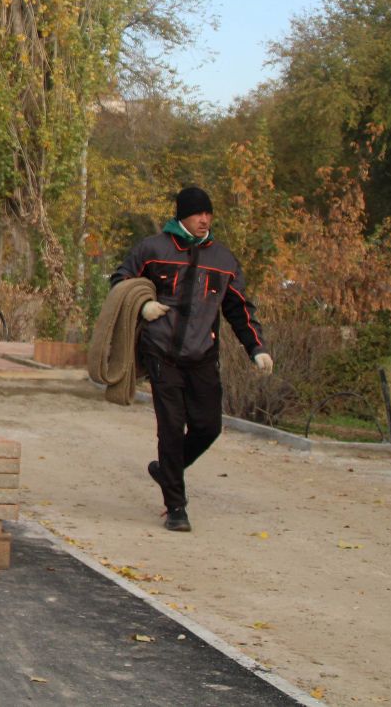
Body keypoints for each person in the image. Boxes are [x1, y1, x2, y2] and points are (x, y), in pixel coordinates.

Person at [110, 185, 271, 533]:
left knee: (208, 426)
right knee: (170, 427)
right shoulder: (153, 249)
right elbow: (120, 280)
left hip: (202, 354)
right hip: (161, 351)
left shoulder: (223, 259)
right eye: (199, 213)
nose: (205, 219)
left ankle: (168, 469)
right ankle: (176, 507)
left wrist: (256, 348)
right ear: (182, 215)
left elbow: (239, 308)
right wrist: (142, 305)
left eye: (209, 214)